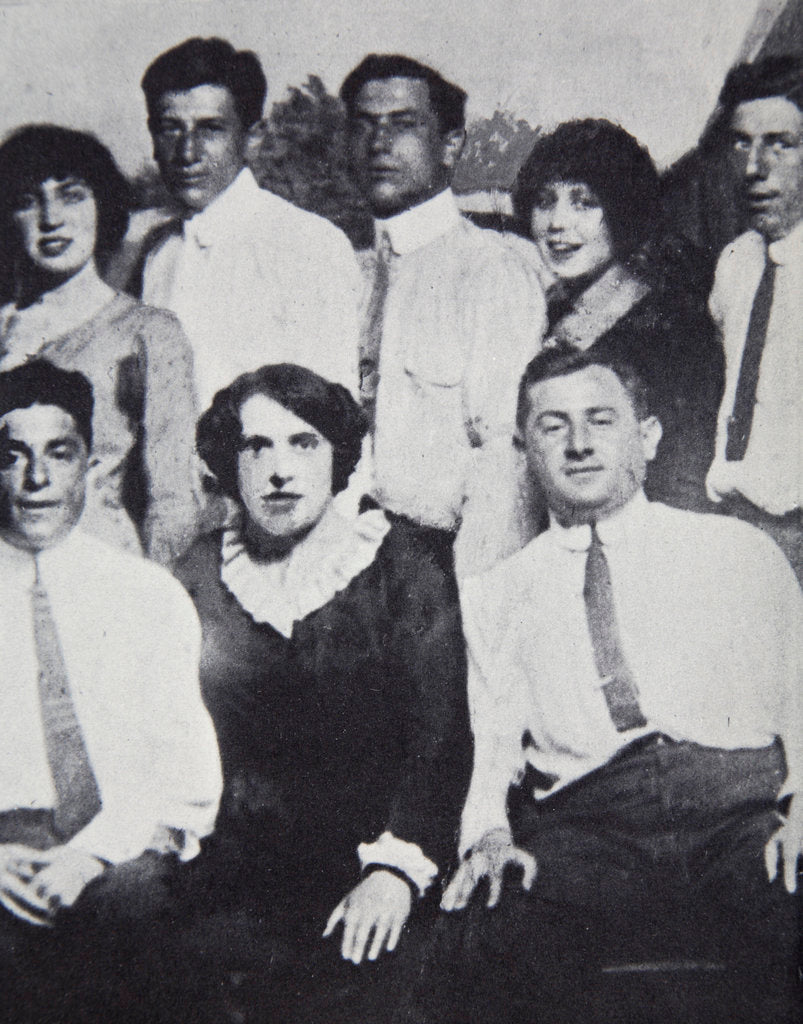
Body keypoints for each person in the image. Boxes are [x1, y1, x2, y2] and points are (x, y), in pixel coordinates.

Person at [400, 346, 801, 1024]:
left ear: (644, 436)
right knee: (485, 938)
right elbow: (492, 744)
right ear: (525, 449)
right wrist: (488, 835)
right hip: (589, 825)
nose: (579, 444)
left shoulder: (733, 551)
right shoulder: (496, 593)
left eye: (600, 420)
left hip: (738, 807)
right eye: (552, 427)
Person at [172, 363, 470, 1023]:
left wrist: (395, 870)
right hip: (234, 881)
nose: (279, 470)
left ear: (337, 457)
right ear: (229, 463)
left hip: (371, 873)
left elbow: (440, 739)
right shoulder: (194, 576)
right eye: (257, 447)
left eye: (302, 443)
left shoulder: (403, 565)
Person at [0, 360, 222, 1023]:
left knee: (136, 924)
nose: (36, 481)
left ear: (89, 466)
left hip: (115, 848)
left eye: (57, 455)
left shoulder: (144, 594)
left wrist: (89, 855)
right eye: (11, 457)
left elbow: (187, 778)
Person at [340, 54, 548, 577]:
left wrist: (476, 603)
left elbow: (505, 460)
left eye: (404, 124)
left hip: (438, 562)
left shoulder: (490, 271)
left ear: (450, 145)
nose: (379, 143)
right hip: (339, 553)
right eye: (364, 125)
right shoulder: (347, 273)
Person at [0, 124, 199, 564]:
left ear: (103, 205)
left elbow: (173, 499)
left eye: (71, 195)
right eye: (27, 202)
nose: (51, 219)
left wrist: (155, 595)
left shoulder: (148, 333)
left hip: (100, 569)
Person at [514, 118, 724, 512]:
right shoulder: (549, 309)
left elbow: (685, 481)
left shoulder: (673, 327)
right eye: (545, 201)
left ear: (622, 212)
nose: (558, 224)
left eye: (584, 203)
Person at [139, 37, 360, 409]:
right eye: (171, 128)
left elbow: (336, 420)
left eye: (211, 129)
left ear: (253, 138)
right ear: (153, 138)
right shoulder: (160, 256)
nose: (188, 152)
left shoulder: (307, 243)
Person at [705, 56, 803, 580]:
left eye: (779, 144)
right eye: (741, 142)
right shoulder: (736, 264)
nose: (753, 167)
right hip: (736, 524)